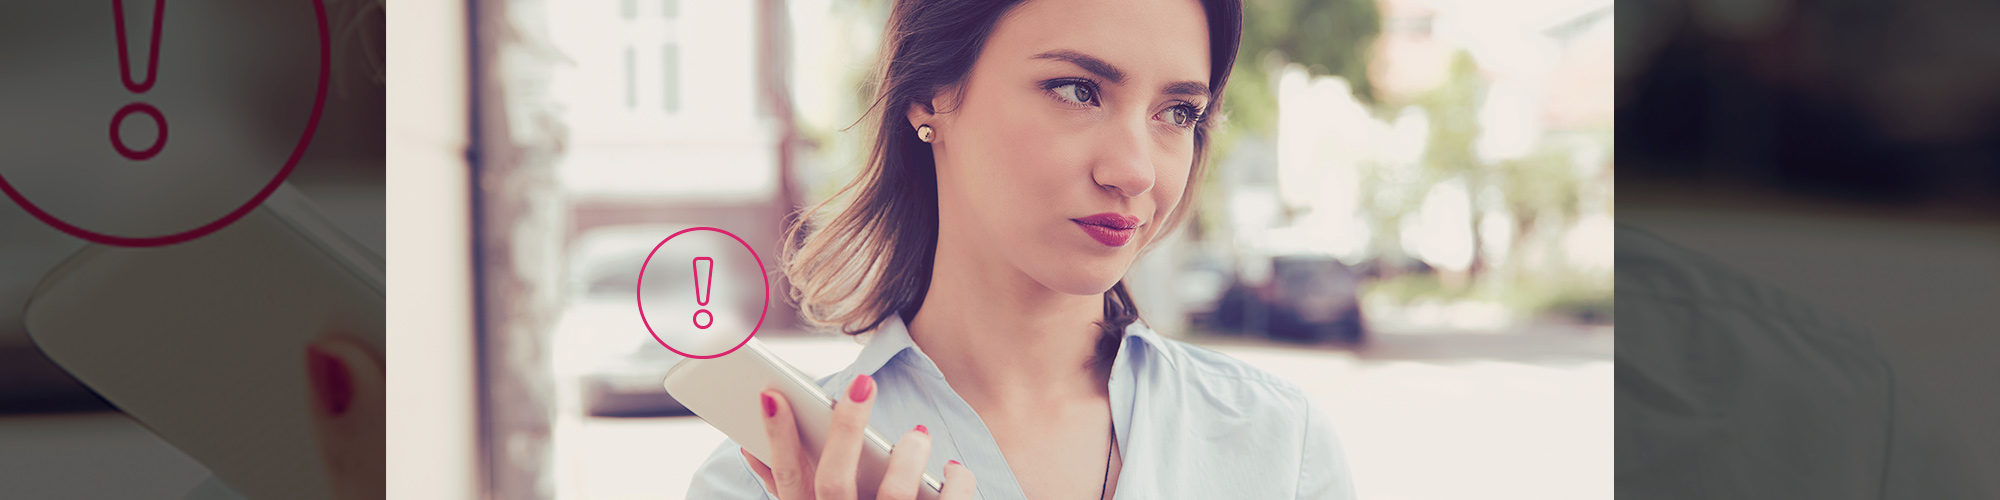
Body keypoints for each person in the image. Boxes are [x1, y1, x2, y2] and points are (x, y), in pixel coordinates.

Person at [686, 0, 1355, 498]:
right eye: (1077, 90)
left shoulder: (1276, 446)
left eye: (1177, 113)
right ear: (930, 94)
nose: (1136, 170)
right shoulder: (765, 479)